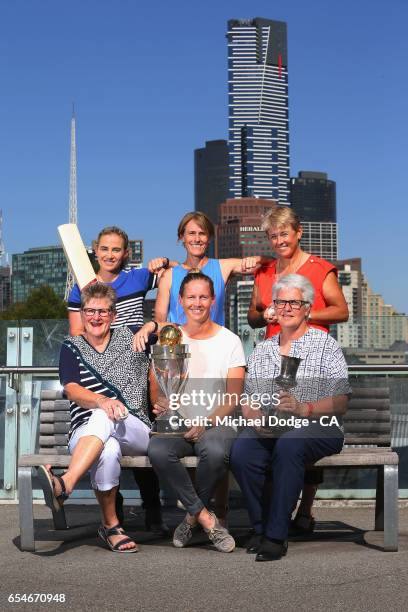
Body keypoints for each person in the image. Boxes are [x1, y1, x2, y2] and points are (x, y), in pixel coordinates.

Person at [231, 274, 350, 561]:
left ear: (307, 307)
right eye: (280, 302)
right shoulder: (263, 349)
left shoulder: (325, 345)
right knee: (242, 451)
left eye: (294, 302)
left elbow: (341, 400)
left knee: (290, 445)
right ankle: (260, 528)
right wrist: (252, 413)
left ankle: (276, 535)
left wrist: (305, 408)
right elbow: (248, 397)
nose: (286, 308)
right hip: (274, 426)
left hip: (319, 425)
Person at [247, 205, 349, 533]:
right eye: (273, 236)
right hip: (275, 356)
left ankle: (303, 511)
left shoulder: (319, 269)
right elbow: (253, 315)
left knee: (305, 424)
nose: (279, 241)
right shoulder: (264, 272)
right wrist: (265, 317)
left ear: (298, 232)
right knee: (277, 428)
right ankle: (275, 517)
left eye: (284, 234)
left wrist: (301, 315)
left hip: (310, 356)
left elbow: (341, 311)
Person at [67, 225, 169, 533]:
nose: (110, 255)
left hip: (137, 363)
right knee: (108, 436)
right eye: (105, 249)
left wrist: (163, 262)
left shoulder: (137, 278)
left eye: (117, 250)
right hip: (102, 364)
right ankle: (116, 509)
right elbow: (76, 333)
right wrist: (103, 346)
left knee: (141, 429)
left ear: (126, 253)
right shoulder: (83, 287)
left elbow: (174, 275)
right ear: (95, 251)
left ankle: (152, 508)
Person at [38, 283, 152, 552]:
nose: (96, 317)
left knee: (104, 418)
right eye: (90, 311)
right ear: (82, 313)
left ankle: (65, 484)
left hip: (133, 427)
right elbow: (72, 388)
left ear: (113, 315)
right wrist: (102, 400)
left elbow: (174, 331)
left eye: (103, 311)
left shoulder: (130, 336)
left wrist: (151, 327)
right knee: (107, 447)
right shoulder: (72, 346)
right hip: (86, 431)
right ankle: (112, 527)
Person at [147, 272, 246, 552]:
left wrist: (206, 422)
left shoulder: (230, 341)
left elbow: (234, 396)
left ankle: (190, 518)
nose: (197, 303)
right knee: (157, 451)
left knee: (215, 452)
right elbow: (158, 388)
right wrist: (160, 403)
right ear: (181, 301)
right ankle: (206, 519)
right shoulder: (170, 338)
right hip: (177, 422)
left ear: (213, 300)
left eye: (203, 297)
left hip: (217, 421)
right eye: (191, 297)